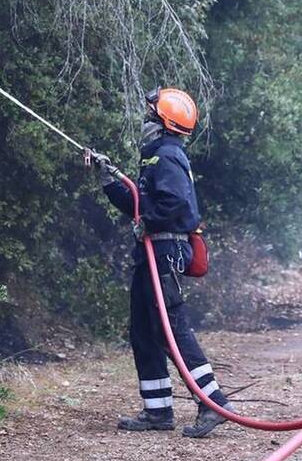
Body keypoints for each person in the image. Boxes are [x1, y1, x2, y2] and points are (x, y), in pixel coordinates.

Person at [91, 87, 235, 439]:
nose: (145, 119)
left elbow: (172, 204)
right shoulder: (155, 156)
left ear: (163, 122)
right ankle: (157, 411)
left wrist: (149, 223)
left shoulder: (168, 155)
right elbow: (141, 205)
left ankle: (213, 403)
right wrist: (110, 181)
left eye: (150, 115)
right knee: (144, 332)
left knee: (172, 331)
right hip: (151, 253)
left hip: (165, 253)